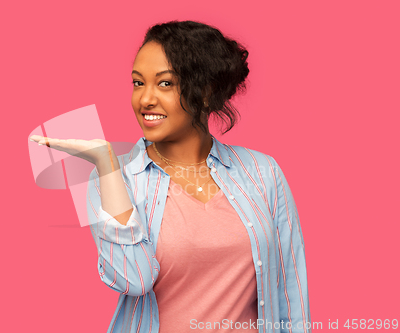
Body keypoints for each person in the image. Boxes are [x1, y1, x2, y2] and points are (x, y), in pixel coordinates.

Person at [30, 20, 311, 333]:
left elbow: (289, 291)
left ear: (206, 91)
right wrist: (106, 166)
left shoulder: (263, 173)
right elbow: (131, 279)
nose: (145, 100)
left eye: (164, 84)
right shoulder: (110, 179)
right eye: (138, 83)